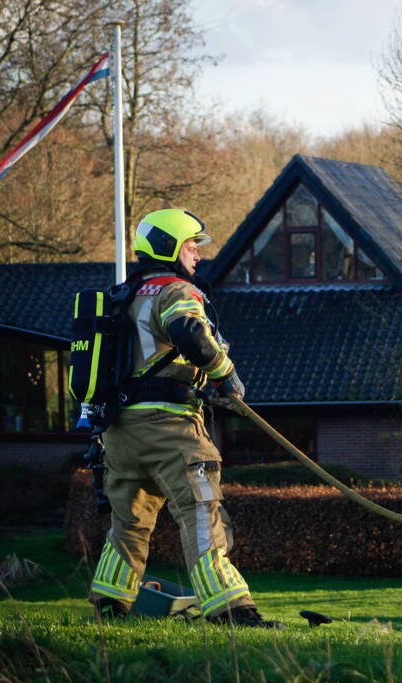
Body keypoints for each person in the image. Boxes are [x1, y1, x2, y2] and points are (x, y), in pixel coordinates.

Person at [88, 208, 282, 628]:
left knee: (129, 522)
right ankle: (231, 610)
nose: (197, 256)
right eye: (192, 246)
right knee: (201, 513)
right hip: (171, 426)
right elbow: (188, 332)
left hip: (120, 431)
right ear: (171, 247)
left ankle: (111, 604)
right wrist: (224, 374)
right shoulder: (176, 290)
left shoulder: (124, 294)